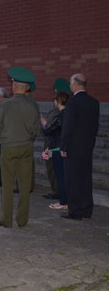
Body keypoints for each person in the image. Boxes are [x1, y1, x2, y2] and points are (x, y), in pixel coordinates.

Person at [0, 67, 40, 228]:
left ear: (13, 86)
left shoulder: (5, 104)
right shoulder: (33, 105)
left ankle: (6, 219)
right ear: (27, 87)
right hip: (26, 146)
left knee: (7, 185)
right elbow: (35, 128)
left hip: (9, 146)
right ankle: (22, 220)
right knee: (25, 186)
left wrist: (3, 138)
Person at [60, 73, 100, 220]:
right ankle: (86, 209)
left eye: (70, 82)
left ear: (76, 84)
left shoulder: (73, 102)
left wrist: (63, 146)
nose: (70, 85)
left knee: (73, 179)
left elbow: (68, 126)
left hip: (73, 147)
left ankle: (75, 210)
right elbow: (95, 126)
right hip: (87, 147)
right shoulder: (94, 102)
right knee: (85, 179)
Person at [42, 92, 69, 210]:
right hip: (63, 147)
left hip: (58, 149)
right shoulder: (70, 115)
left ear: (57, 101)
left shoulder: (60, 116)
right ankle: (66, 200)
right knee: (64, 176)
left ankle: (63, 201)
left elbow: (49, 130)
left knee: (60, 176)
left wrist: (44, 124)